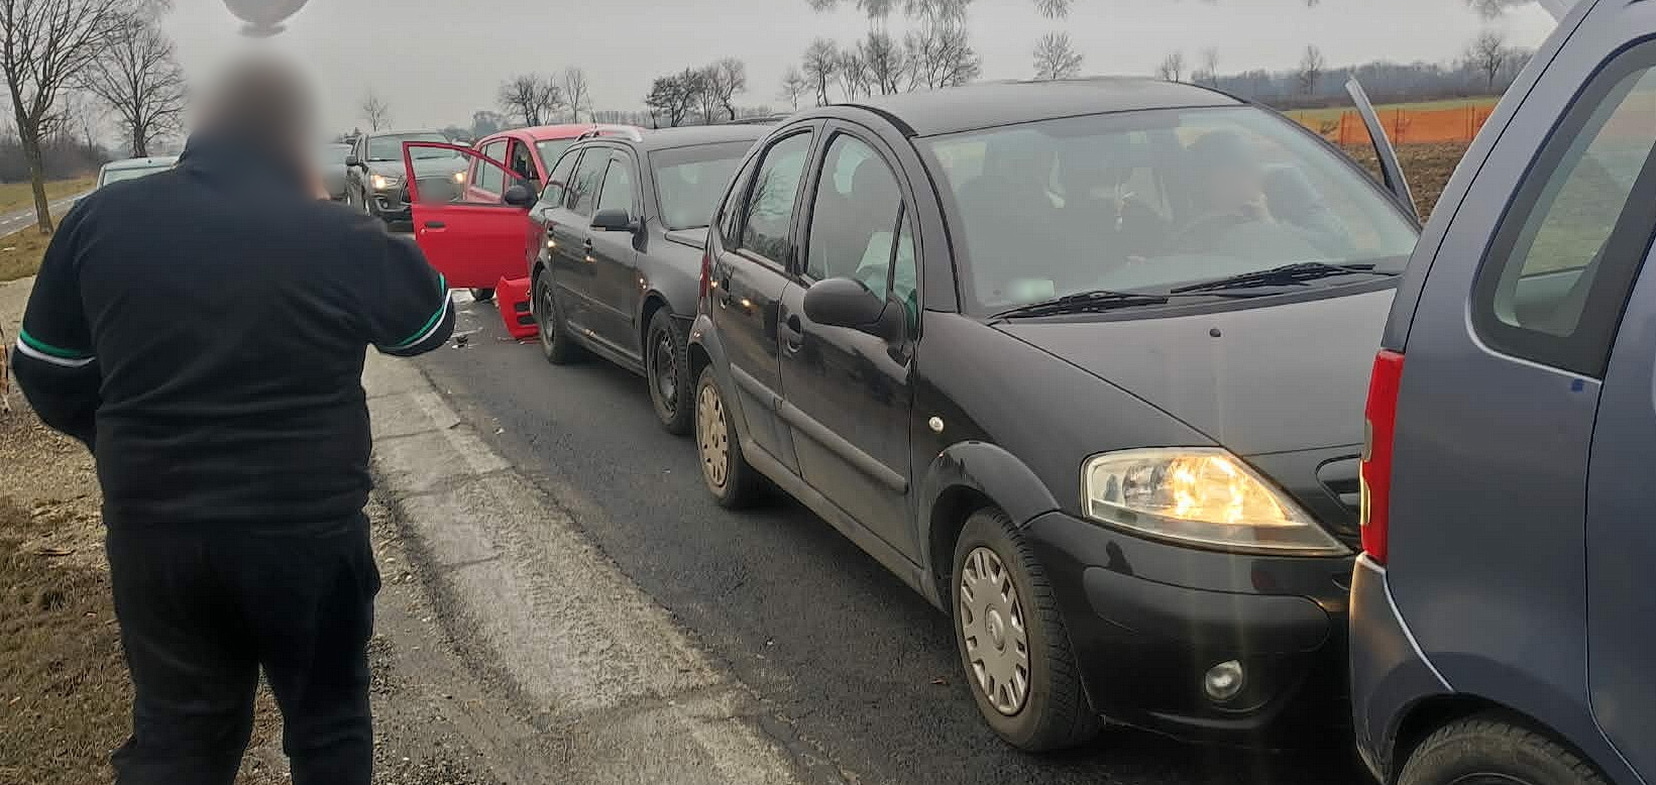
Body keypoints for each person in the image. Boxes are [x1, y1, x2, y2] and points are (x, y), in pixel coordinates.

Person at [10, 54, 453, 785]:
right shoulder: (333, 236)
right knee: (328, 721)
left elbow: (43, 368)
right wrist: (318, 204)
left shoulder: (101, 220)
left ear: (202, 126)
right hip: (306, 533)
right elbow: (429, 317)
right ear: (292, 138)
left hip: (159, 532)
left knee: (178, 735)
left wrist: (118, 433)